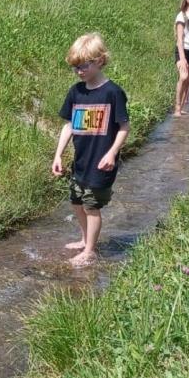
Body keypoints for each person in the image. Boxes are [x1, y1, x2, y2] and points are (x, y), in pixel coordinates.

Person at [52, 32, 130, 267]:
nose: (79, 71)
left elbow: (124, 127)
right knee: (77, 201)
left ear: (99, 61)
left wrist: (112, 153)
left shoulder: (112, 92)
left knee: (91, 206)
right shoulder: (76, 92)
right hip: (81, 161)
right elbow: (69, 125)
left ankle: (90, 251)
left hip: (101, 162)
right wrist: (58, 154)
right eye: (75, 67)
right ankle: (85, 239)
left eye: (83, 66)